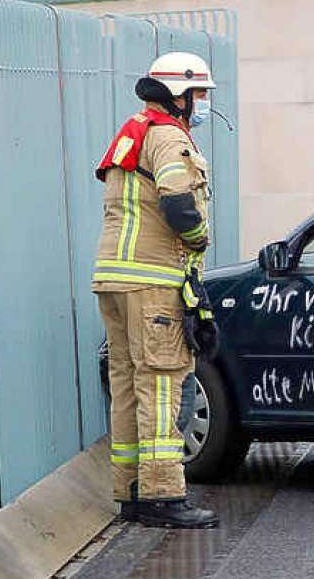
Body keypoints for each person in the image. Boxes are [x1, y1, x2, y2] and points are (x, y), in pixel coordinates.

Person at [92, 52, 220, 530]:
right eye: (200, 95)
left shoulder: (134, 131)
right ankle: (165, 496)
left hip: (115, 279)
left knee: (126, 386)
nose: (203, 104)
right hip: (153, 282)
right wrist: (198, 239)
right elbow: (179, 203)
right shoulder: (168, 137)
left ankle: (130, 494)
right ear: (179, 96)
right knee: (163, 384)